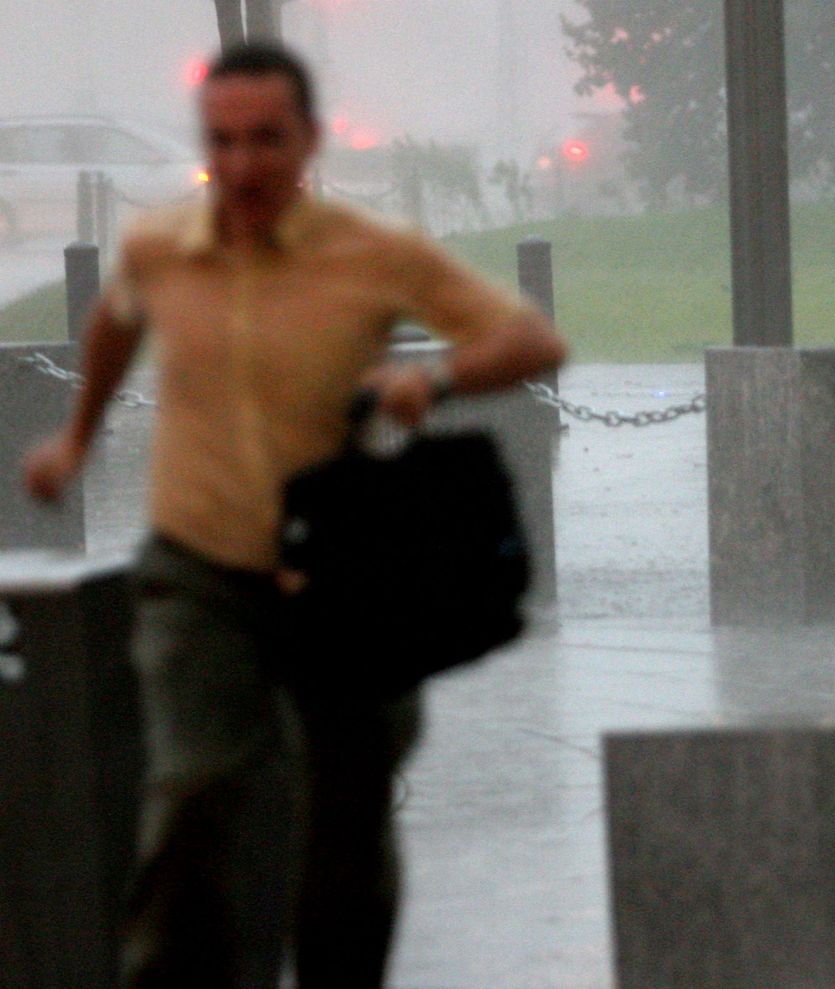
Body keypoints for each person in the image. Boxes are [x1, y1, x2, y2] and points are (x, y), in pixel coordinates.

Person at [23, 42, 566, 989]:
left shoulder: (372, 252)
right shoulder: (161, 247)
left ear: (310, 140)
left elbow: (531, 337)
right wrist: (77, 436)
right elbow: (114, 320)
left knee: (349, 807)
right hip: (200, 568)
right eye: (222, 142)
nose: (242, 166)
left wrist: (429, 375)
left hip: (342, 573)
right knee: (193, 787)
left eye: (266, 141)